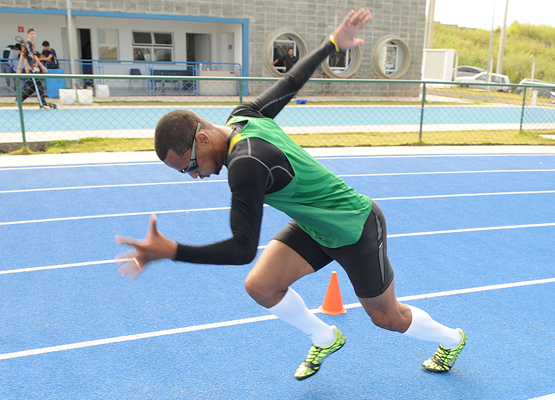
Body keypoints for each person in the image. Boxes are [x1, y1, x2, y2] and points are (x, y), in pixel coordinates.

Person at [115, 8, 467, 380]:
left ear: (201, 138)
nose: (195, 175)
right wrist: (333, 43)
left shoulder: (245, 166)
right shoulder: (244, 116)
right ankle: (325, 336)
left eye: (189, 166)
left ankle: (451, 339)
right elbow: (292, 81)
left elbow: (242, 249)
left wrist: (171, 251)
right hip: (315, 225)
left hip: (354, 227)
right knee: (261, 285)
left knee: (387, 318)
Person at [15, 27, 50, 110]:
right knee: (39, 86)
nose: (33, 35)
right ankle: (43, 105)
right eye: (31, 34)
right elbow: (22, 55)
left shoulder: (32, 44)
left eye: (34, 34)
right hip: (30, 68)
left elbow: (34, 56)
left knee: (32, 88)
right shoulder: (25, 44)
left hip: (35, 67)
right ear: (28, 34)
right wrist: (19, 68)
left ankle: (19, 99)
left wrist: (41, 66)